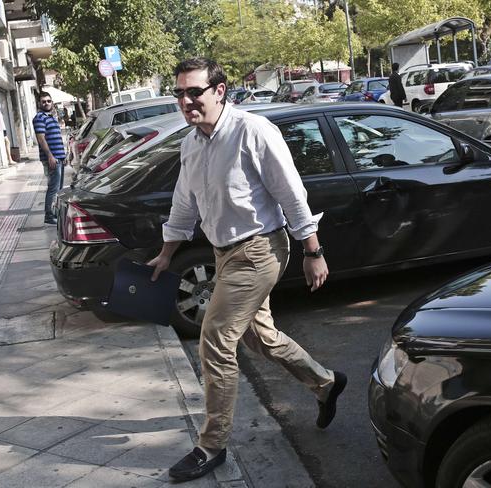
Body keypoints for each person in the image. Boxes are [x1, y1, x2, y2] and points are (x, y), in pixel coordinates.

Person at [148, 57, 347, 481]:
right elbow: (183, 207)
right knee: (261, 337)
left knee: (216, 339)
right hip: (225, 254)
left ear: (219, 91)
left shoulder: (252, 132)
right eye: (179, 93)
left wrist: (314, 251)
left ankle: (211, 445)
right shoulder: (191, 143)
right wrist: (166, 254)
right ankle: (326, 382)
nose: (185, 101)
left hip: (260, 251)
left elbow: (291, 194)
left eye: (194, 92)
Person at [33, 92, 67, 225]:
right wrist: (50, 156)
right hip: (52, 159)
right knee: (53, 188)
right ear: (39, 104)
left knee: (58, 189)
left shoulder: (52, 117)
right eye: (43, 101)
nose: (46, 103)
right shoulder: (39, 118)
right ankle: (49, 215)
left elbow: (57, 138)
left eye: (48, 101)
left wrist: (63, 156)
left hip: (59, 157)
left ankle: (56, 213)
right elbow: (41, 139)